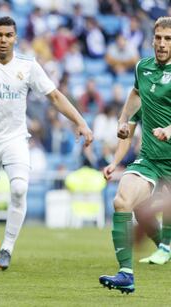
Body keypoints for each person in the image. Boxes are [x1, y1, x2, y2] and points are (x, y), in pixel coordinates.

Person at [0, 16, 93, 271]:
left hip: (15, 138)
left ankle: (7, 249)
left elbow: (55, 96)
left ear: (15, 38)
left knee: (19, 189)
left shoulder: (28, 65)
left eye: (8, 35)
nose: (3, 40)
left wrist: (80, 121)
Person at [99, 16, 171, 294]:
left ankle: (165, 244)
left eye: (168, 39)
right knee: (122, 201)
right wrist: (123, 119)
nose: (162, 44)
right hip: (152, 159)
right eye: (159, 38)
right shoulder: (143, 67)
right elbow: (135, 92)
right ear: (152, 39)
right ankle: (126, 274)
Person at [103, 109, 163, 253]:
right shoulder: (143, 103)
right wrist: (114, 162)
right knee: (139, 207)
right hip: (150, 162)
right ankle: (164, 248)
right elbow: (127, 138)